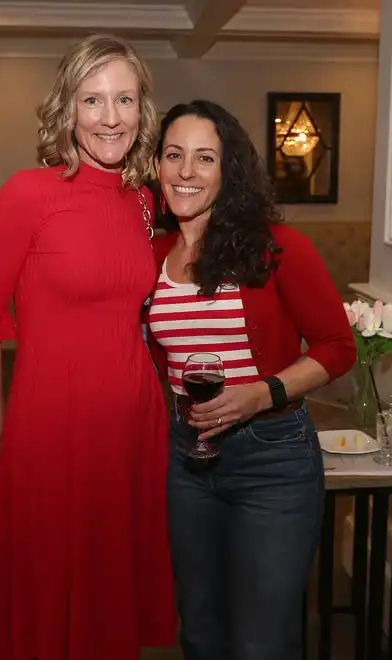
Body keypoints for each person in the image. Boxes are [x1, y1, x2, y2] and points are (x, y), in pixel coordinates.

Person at [0, 34, 175, 660]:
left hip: (133, 422)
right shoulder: (28, 194)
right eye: (93, 100)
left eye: (124, 100)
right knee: (53, 586)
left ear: (142, 110)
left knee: (110, 587)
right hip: (54, 426)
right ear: (67, 110)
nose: (110, 118)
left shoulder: (141, 200)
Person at [146, 100, 356, 660]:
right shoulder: (150, 255)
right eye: (174, 155)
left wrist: (262, 393)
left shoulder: (276, 248)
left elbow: (339, 347)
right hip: (187, 460)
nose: (186, 171)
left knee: (261, 642)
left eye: (204, 158)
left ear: (228, 170)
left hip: (273, 461)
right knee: (200, 632)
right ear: (158, 166)